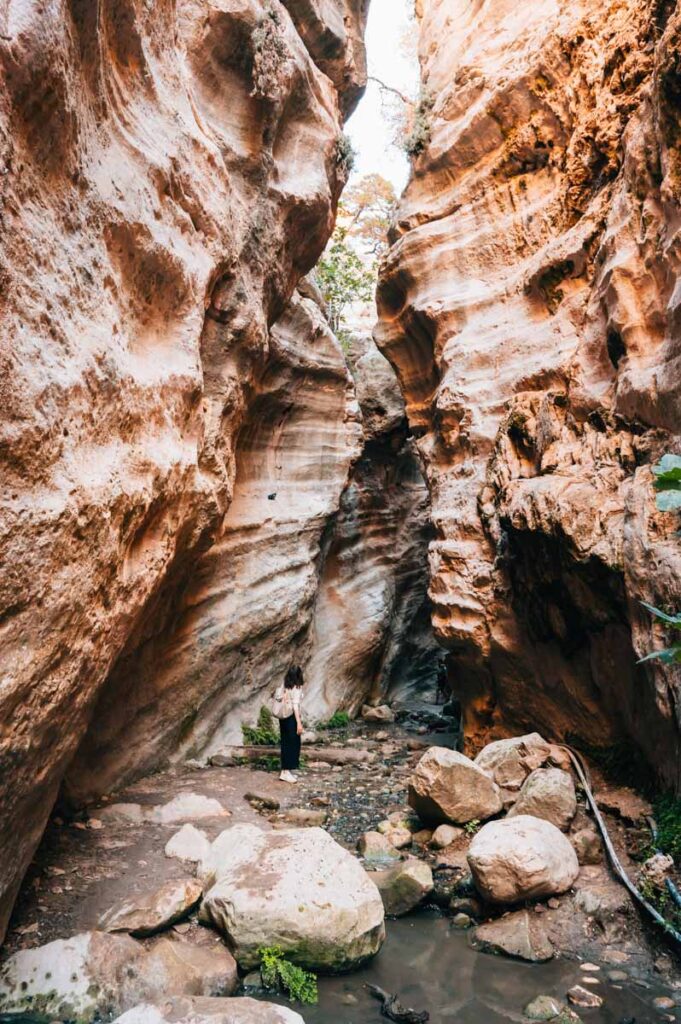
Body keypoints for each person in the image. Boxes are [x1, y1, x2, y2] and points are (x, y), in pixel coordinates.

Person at [276, 665, 304, 783]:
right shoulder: (297, 687)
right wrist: (299, 723)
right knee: (293, 744)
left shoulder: (285, 684)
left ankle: (284, 771)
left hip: (283, 717)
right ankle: (286, 772)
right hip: (291, 717)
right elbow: (295, 706)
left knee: (285, 742)